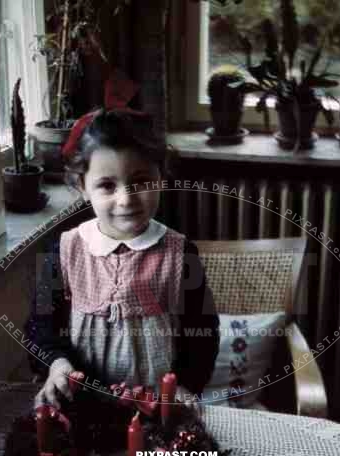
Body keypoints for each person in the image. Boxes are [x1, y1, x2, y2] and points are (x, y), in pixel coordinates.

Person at [25, 108, 220, 409]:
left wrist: (185, 384)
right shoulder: (63, 250)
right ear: (82, 187)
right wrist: (56, 363)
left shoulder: (181, 254)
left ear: (161, 176)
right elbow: (41, 326)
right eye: (107, 185)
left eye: (141, 181)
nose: (126, 199)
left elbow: (203, 332)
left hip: (159, 407)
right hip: (84, 405)